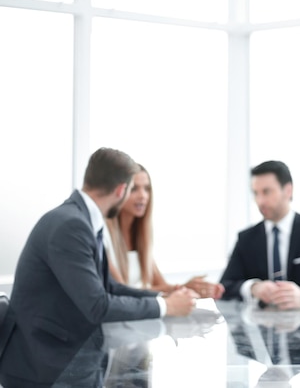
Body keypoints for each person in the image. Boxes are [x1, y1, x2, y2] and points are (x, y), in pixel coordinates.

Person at [0, 148, 199, 387]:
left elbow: (109, 287)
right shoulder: (71, 224)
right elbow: (98, 305)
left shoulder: (83, 219)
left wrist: (162, 295)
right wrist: (165, 306)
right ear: (120, 190)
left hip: (67, 357)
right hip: (44, 364)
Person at [220, 160, 300, 310]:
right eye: (256, 193)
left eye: (267, 192)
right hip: (262, 325)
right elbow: (225, 285)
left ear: (288, 190)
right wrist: (253, 287)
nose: (260, 201)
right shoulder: (246, 238)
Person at [105, 164, 225, 299]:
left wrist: (186, 288)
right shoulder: (104, 236)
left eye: (147, 189)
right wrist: (181, 289)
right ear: (120, 191)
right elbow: (124, 292)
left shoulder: (141, 238)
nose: (143, 196)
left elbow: (161, 285)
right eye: (134, 189)